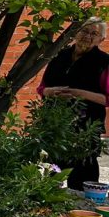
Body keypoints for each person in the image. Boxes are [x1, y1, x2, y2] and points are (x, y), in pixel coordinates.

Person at [38, 17, 109, 189]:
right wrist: (49, 92)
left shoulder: (104, 62)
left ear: (101, 39)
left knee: (82, 176)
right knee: (50, 175)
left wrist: (79, 94)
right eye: (84, 31)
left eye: (94, 33)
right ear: (76, 32)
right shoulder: (59, 55)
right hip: (54, 124)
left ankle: (84, 212)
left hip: (85, 128)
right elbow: (42, 88)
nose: (87, 36)